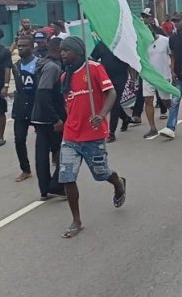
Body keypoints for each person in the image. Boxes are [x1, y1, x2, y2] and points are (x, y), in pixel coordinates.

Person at [57, 36, 127, 238]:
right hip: (71, 136)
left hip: (93, 135)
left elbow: (112, 93)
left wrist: (101, 115)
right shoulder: (64, 77)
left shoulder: (94, 68)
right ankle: (76, 220)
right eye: (61, 50)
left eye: (66, 50)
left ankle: (118, 183)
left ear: (77, 51)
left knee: (101, 173)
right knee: (67, 177)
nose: (62, 54)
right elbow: (67, 103)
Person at [30, 37, 66, 201]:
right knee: (64, 151)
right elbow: (44, 93)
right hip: (50, 117)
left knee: (42, 153)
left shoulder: (42, 64)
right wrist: (56, 118)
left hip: (40, 115)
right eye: (64, 50)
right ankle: (56, 185)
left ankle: (45, 188)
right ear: (59, 50)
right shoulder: (52, 67)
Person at [90, 37, 132, 142]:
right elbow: (92, 58)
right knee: (111, 102)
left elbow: (131, 61)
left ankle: (111, 132)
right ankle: (125, 118)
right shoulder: (102, 44)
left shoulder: (123, 43)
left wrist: (133, 79)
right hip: (106, 77)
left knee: (115, 102)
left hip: (120, 76)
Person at [10, 36, 38, 181]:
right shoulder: (16, 65)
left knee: (46, 137)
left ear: (32, 47)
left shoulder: (39, 64)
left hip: (36, 106)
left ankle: (54, 154)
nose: (20, 48)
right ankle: (25, 169)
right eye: (19, 46)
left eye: (24, 46)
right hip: (21, 108)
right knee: (19, 139)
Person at [141, 23, 173, 140]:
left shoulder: (165, 41)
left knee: (166, 101)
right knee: (148, 100)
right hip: (148, 76)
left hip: (163, 75)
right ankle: (152, 128)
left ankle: (172, 120)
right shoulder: (142, 43)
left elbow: (172, 55)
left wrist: (172, 71)